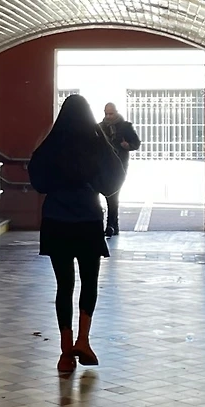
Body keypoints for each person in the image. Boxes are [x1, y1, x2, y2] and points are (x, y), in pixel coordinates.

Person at [28, 95, 125, 374]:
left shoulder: (52, 143)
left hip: (56, 220)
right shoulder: (96, 142)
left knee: (64, 286)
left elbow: (37, 180)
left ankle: (65, 352)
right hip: (88, 220)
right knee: (89, 282)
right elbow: (114, 178)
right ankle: (83, 341)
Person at [99, 102, 141, 237]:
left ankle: (112, 225)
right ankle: (111, 225)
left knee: (114, 194)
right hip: (104, 166)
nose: (108, 116)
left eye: (111, 114)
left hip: (119, 165)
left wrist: (127, 145)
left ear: (116, 112)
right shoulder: (100, 127)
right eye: (106, 114)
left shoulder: (125, 127)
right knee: (108, 195)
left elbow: (136, 143)